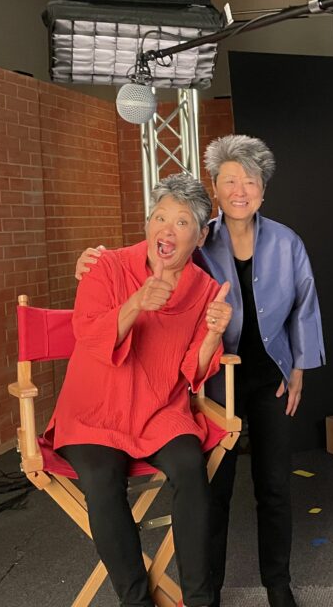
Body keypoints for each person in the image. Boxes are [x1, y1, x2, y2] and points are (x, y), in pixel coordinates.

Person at [77, 135, 325, 607]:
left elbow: (304, 306)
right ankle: (208, 590)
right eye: (229, 181)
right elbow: (154, 253)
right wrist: (90, 261)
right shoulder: (197, 236)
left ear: (263, 190)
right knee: (214, 486)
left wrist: (299, 367)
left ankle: (278, 583)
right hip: (213, 378)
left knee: (275, 484)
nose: (239, 190)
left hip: (270, 375)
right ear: (215, 188)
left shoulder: (287, 242)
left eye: (250, 181)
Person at [52, 172, 232, 607]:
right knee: (101, 478)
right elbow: (88, 335)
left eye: (182, 222)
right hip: (94, 411)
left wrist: (212, 336)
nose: (166, 230)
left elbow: (193, 372)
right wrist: (136, 303)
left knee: (190, 465)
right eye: (159, 217)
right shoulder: (105, 266)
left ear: (200, 236)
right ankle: (136, 602)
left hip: (159, 410)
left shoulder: (206, 290)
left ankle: (201, 600)